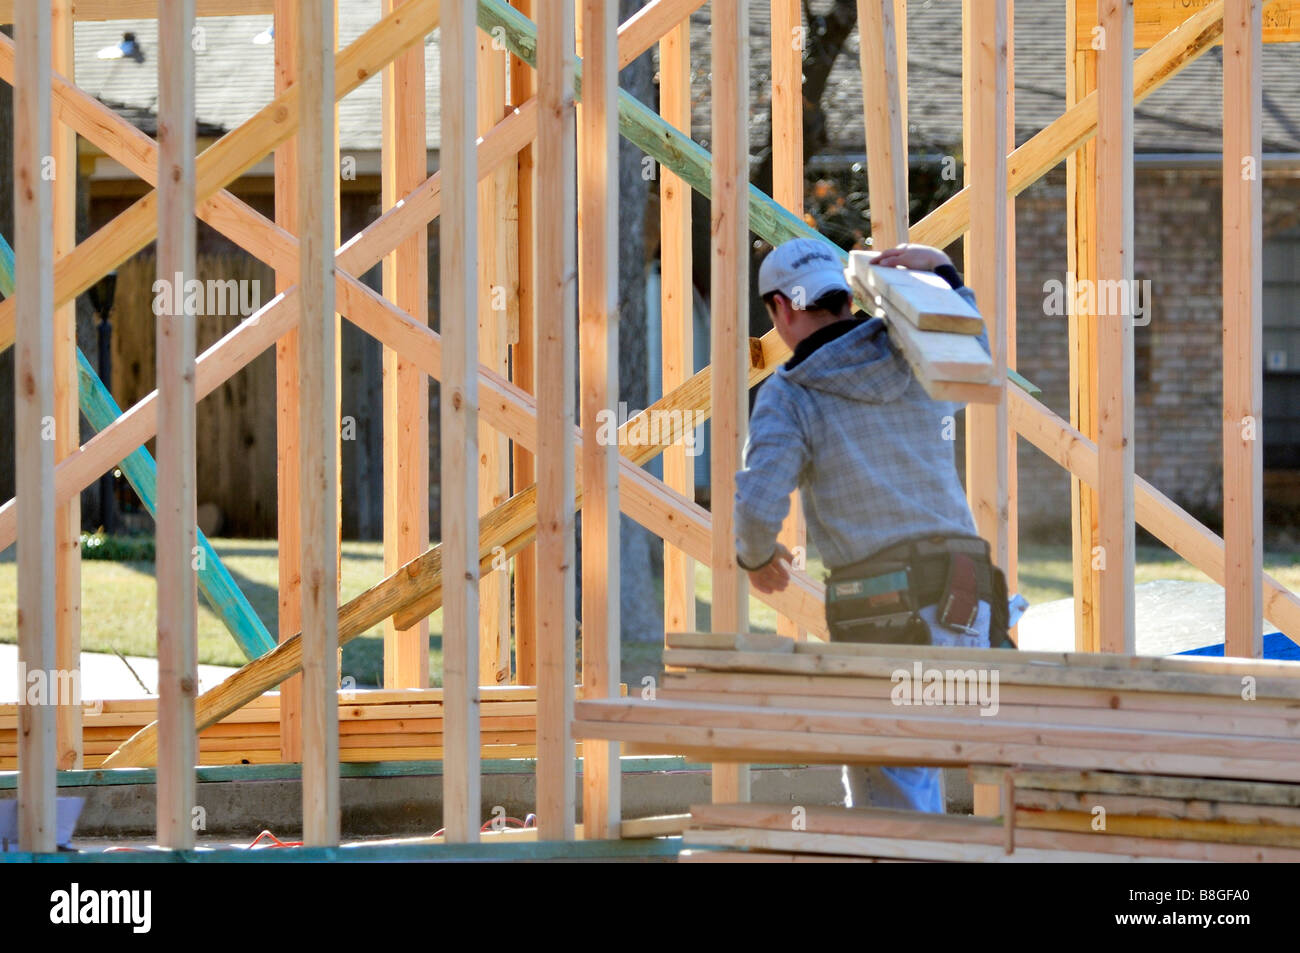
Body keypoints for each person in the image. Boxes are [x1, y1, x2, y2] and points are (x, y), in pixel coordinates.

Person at [733, 237, 1010, 814]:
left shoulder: (791, 394)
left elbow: (758, 506)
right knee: (992, 769)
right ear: (841, 294)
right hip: (970, 592)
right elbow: (976, 355)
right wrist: (943, 273)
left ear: (782, 308)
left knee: (896, 810)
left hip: (882, 611)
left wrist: (758, 560)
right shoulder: (910, 350)